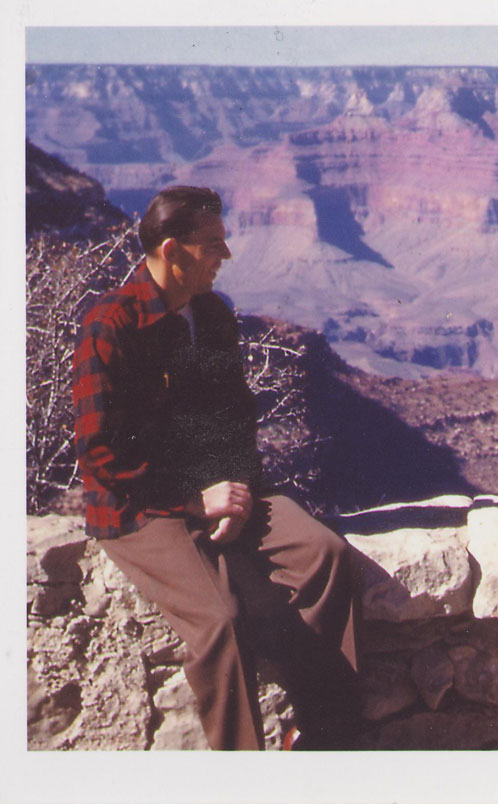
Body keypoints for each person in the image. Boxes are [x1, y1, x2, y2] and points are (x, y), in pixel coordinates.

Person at [72, 186, 362, 750]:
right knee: (220, 623)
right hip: (138, 506)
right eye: (213, 247)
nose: (224, 258)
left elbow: (233, 417)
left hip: (219, 489)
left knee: (326, 555)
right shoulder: (111, 325)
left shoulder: (211, 317)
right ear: (174, 250)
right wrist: (194, 503)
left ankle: (327, 741)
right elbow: (100, 453)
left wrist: (240, 491)